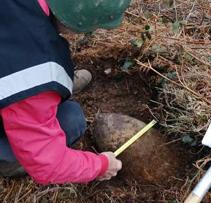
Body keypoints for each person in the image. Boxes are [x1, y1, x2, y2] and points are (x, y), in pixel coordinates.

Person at [0, 0, 131, 184]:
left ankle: (50, 86)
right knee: (71, 119)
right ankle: (7, 161)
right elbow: (49, 165)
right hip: (24, 80)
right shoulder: (35, 65)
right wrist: (101, 165)